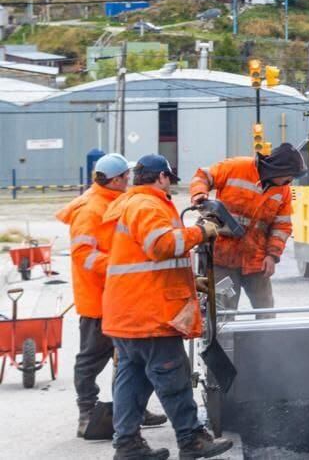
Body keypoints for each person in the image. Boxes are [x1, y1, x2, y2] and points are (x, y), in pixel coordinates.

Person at [101, 154, 232, 460]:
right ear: (160, 177)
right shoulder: (147, 205)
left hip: (128, 312)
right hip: (149, 313)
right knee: (173, 375)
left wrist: (190, 282)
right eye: (169, 179)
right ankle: (191, 440)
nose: (171, 186)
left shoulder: (134, 203)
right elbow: (161, 246)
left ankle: (128, 444)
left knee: (132, 380)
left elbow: (146, 260)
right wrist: (202, 232)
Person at [55, 153, 167, 439]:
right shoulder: (90, 209)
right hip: (98, 300)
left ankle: (133, 410)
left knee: (129, 358)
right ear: (116, 180)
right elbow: (83, 254)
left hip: (119, 296)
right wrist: (118, 268)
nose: (130, 181)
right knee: (91, 359)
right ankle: (87, 413)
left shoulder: (113, 202)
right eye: (126, 177)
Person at [189, 143, 307, 318]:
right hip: (223, 257)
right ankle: (224, 346)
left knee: (266, 311)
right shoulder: (237, 167)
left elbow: (281, 226)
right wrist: (199, 193)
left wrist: (272, 256)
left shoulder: (283, 191)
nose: (289, 182)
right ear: (278, 169)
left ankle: (264, 344)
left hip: (256, 260)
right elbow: (203, 176)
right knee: (223, 313)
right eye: (289, 177)